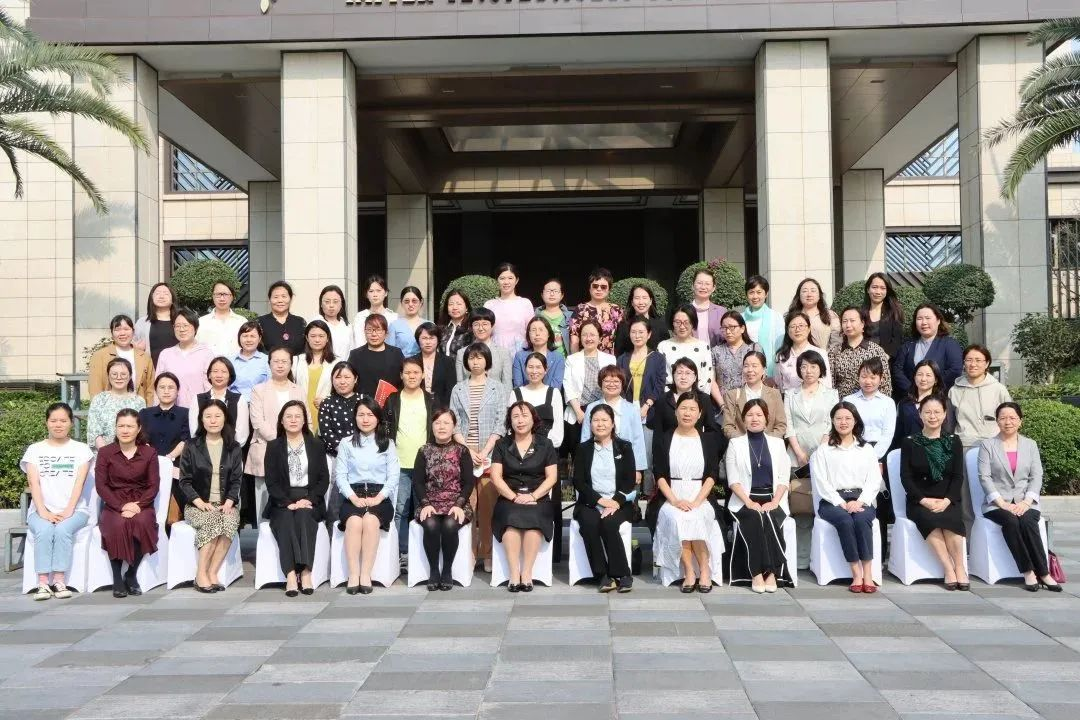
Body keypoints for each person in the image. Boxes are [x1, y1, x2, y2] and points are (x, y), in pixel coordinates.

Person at [978, 402, 1061, 592]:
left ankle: (1044, 573)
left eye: (1012, 418)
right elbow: (984, 477)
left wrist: (1027, 502)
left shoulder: (1030, 445)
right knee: (1011, 522)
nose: (1008, 422)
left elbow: (1036, 476)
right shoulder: (987, 445)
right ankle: (1027, 571)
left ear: (1020, 421)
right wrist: (1002, 504)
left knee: (1028, 522)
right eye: (1003, 418)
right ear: (997, 421)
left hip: (1026, 501)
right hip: (997, 504)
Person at [653, 393, 725, 593]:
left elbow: (711, 475)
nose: (687, 413)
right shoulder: (664, 439)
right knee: (678, 518)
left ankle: (704, 570)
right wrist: (675, 501)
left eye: (692, 409)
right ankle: (689, 571)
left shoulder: (708, 440)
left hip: (700, 496)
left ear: (700, 413)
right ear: (676, 412)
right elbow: (659, 475)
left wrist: (696, 501)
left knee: (697, 517)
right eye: (683, 408)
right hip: (672, 496)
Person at [809, 402, 883, 592]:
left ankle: (868, 574)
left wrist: (861, 501)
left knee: (861, 519)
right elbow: (821, 482)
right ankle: (856, 574)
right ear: (833, 421)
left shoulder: (866, 449)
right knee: (845, 521)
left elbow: (874, 479)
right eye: (839, 418)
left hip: (861, 499)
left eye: (848, 418)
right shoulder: (824, 450)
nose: (843, 422)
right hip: (832, 501)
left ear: (855, 421)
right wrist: (841, 503)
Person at [21, 403, 93, 601]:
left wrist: (69, 510)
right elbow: (34, 483)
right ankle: (43, 583)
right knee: (44, 530)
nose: (58, 425)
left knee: (62, 530)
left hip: (76, 510)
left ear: (71, 423)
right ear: (46, 422)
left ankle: (59, 581)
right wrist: (43, 512)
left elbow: (80, 483)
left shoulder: (82, 450)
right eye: (53, 420)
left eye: (63, 420)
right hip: (40, 510)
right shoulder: (35, 450)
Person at [450, 343, 509, 572]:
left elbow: (501, 422)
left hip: (490, 451)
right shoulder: (458, 389)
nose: (475, 362)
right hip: (465, 450)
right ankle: (470, 553)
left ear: (487, 361)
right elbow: (454, 423)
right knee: (468, 505)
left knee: (488, 505)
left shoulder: (497, 388)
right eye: (471, 358)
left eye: (479, 358)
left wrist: (484, 452)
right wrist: (468, 449)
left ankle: (488, 553)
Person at [899, 396, 969, 590]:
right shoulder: (910, 442)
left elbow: (958, 476)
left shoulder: (953, 441)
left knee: (952, 521)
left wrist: (947, 500)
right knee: (930, 520)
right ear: (920, 415)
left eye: (937, 412)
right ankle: (948, 568)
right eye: (927, 412)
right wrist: (923, 500)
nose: (932, 416)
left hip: (947, 498)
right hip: (919, 500)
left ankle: (960, 568)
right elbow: (906, 477)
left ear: (945, 415)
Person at [490, 402, 559, 592]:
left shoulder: (545, 444)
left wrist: (533, 496)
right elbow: (496, 477)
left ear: (533, 419)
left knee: (534, 521)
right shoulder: (501, 444)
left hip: (538, 497)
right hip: (509, 497)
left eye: (524, 416)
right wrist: (513, 497)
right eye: (515, 417)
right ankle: (514, 574)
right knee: (510, 521)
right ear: (509, 421)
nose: (520, 421)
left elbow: (552, 477)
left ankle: (527, 573)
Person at [726, 399, 793, 592]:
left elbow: (783, 478)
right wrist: (749, 502)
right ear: (743, 419)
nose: (754, 419)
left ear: (766, 419)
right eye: (749, 415)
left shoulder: (778, 444)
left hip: (773, 498)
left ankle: (771, 573)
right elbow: (733, 480)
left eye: (759, 415)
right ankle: (757, 574)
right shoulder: (735, 444)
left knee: (769, 516)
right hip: (744, 500)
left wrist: (775, 501)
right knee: (755, 517)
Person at [263, 400, 329, 596]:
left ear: (304, 420)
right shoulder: (273, 446)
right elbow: (271, 481)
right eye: (288, 416)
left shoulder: (316, 445)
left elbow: (323, 479)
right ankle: (291, 574)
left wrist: (308, 500)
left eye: (297, 416)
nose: (293, 420)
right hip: (281, 499)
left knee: (304, 516)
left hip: (310, 498)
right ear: (281, 421)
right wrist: (287, 502)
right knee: (285, 520)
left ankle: (306, 572)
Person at [335, 398, 399, 594]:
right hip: (353, 495)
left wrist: (379, 497)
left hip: (379, 496)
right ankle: (353, 574)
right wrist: (352, 497)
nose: (365, 419)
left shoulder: (387, 443)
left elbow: (393, 476)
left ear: (377, 418)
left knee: (370, 521)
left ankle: (365, 574)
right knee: (354, 522)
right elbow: (340, 475)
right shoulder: (346, 443)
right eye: (361, 415)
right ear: (355, 418)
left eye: (370, 415)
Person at [178, 399, 243, 593]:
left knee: (230, 521)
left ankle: (212, 572)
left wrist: (229, 502)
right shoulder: (191, 445)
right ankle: (201, 575)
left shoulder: (234, 447)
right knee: (213, 520)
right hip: (197, 505)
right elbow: (184, 481)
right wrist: (200, 502)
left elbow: (237, 480)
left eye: (217, 416)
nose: (213, 420)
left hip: (225, 503)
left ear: (225, 419)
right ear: (201, 420)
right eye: (208, 416)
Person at [95, 409, 160, 598]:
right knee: (117, 525)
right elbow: (101, 486)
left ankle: (131, 574)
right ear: (115, 428)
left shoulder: (149, 452)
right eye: (121, 426)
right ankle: (117, 578)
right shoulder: (105, 452)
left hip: (141, 502)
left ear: (138, 429)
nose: (125, 430)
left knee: (142, 522)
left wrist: (138, 505)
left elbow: (153, 485)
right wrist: (121, 506)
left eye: (130, 426)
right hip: (114, 502)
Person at [573, 404, 636, 592]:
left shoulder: (624, 447)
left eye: (604, 420)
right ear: (590, 424)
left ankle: (622, 574)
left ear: (613, 423)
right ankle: (602, 575)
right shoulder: (583, 449)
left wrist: (615, 502)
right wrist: (600, 501)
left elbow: (629, 481)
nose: (600, 424)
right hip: (590, 502)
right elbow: (579, 481)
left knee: (609, 524)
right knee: (590, 524)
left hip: (619, 502)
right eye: (595, 420)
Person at [413, 408, 475, 591]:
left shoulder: (462, 451)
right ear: (432, 426)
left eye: (446, 423)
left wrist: (459, 504)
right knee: (431, 525)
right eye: (437, 422)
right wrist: (425, 503)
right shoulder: (424, 451)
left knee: (449, 525)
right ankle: (434, 571)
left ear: (454, 426)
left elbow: (468, 482)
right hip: (429, 502)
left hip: (457, 502)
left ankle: (447, 570)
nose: (441, 427)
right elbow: (418, 482)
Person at [384, 357, 434, 562]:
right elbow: (386, 428)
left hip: (425, 464)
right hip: (400, 463)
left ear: (422, 375)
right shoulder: (393, 399)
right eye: (407, 373)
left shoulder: (431, 399)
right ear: (401, 375)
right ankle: (401, 553)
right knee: (400, 510)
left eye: (416, 372)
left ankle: (422, 553)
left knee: (424, 509)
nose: (412, 376)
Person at [247, 347, 304, 518]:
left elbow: (305, 419)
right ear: (269, 364)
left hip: (296, 449)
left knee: (291, 499)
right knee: (263, 498)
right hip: (266, 447)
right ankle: (263, 533)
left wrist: (293, 442)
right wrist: (281, 442)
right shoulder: (258, 390)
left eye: (284, 361)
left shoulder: (299, 390)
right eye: (276, 361)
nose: (280, 365)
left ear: (291, 364)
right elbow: (258, 422)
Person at [616, 317, 666, 480]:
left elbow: (660, 384)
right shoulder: (622, 358)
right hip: (627, 410)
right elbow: (619, 385)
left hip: (649, 412)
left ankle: (648, 490)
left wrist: (647, 405)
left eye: (641, 332)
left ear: (649, 334)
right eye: (633, 332)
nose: (637, 336)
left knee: (648, 455)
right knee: (627, 453)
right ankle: (630, 489)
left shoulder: (658, 358)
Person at [579, 366, 647, 478]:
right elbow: (586, 437)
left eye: (616, 381)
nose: (611, 384)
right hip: (597, 463)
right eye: (607, 381)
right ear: (601, 383)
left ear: (622, 384)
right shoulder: (591, 407)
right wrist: (584, 464)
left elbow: (638, 439)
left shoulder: (632, 409)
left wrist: (638, 469)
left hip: (625, 462)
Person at [563, 320, 617, 452]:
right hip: (577, 413)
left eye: (592, 335)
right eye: (584, 335)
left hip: (602, 411)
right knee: (579, 453)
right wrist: (579, 412)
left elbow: (613, 386)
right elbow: (568, 386)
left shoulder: (610, 359)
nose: (588, 338)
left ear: (600, 337)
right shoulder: (571, 359)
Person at [318, 362, 360, 523]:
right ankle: (331, 527)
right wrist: (344, 450)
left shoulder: (363, 400)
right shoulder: (327, 403)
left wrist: (356, 451)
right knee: (333, 493)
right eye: (338, 377)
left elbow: (369, 427)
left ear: (355, 379)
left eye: (347, 377)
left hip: (360, 455)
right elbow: (326, 432)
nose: (342, 381)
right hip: (333, 456)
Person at [893, 303, 964, 396]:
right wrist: (912, 390)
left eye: (928, 318)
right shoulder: (908, 345)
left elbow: (955, 369)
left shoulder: (950, 344)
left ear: (938, 320)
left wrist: (931, 388)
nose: (924, 322)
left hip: (939, 397)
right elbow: (897, 370)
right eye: (919, 319)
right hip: (911, 397)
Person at [950, 344, 1012, 449]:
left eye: (978, 360)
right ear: (964, 363)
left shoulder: (998, 389)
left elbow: (1009, 418)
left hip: (994, 445)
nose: (973, 364)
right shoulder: (954, 390)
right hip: (963, 445)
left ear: (987, 363)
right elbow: (950, 421)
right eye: (969, 360)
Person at [784, 352, 838, 472]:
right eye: (804, 367)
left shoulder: (832, 394)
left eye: (813, 366)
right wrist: (799, 453)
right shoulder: (790, 394)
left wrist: (820, 452)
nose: (808, 371)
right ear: (799, 370)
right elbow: (788, 425)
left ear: (821, 368)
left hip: (824, 452)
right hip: (796, 456)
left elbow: (831, 424)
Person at [648, 358, 721, 446]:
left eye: (688, 373)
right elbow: (658, 433)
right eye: (679, 373)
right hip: (669, 448)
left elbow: (711, 430)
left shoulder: (704, 399)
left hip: (696, 447)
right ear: (673, 376)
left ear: (695, 377)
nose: (683, 377)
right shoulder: (663, 399)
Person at [658, 304, 718, 407]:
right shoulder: (663, 346)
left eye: (686, 322)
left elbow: (707, 378)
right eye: (678, 322)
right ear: (672, 323)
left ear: (693, 323)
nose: (682, 326)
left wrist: (695, 401)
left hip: (697, 402)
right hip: (669, 402)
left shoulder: (703, 347)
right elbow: (660, 377)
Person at [88, 314, 155, 405]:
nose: (122, 333)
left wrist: (148, 411)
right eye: (117, 329)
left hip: (138, 408)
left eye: (126, 329)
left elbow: (150, 390)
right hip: (109, 409)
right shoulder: (100, 356)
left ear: (133, 331)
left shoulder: (144, 357)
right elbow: (95, 388)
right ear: (112, 333)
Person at [155, 308, 214, 409]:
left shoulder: (206, 354)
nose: (181, 329)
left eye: (186, 325)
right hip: (170, 412)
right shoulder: (166, 354)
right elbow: (158, 386)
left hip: (198, 410)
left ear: (195, 328)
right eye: (177, 326)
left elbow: (210, 386)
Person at [829, 306, 893, 399]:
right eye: (844, 321)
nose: (848, 325)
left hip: (870, 403)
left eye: (852, 320)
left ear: (862, 323)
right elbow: (830, 383)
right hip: (842, 404)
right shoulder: (834, 351)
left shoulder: (876, 351)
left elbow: (885, 385)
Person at [722, 351, 787, 439]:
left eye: (754, 366)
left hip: (769, 444)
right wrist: (745, 441)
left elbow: (781, 425)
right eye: (746, 366)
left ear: (764, 369)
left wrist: (765, 441)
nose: (750, 370)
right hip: (741, 445)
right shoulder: (732, 395)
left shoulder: (774, 394)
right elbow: (727, 427)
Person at [843, 357, 895, 464]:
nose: (868, 381)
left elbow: (888, 434)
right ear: (858, 377)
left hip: (878, 453)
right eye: (864, 377)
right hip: (852, 450)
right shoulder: (848, 400)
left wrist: (873, 456)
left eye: (873, 377)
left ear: (881, 379)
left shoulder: (888, 403)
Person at [86, 358, 147, 450]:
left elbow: (140, 431)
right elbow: (94, 432)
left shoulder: (139, 401)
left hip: (132, 453)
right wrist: (107, 453)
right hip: (103, 453)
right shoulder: (99, 399)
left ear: (130, 376)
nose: (119, 377)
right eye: (114, 374)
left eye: (123, 374)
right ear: (108, 376)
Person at [189, 357, 250, 446]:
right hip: (202, 450)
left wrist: (231, 450)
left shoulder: (239, 400)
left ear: (230, 376)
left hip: (231, 450)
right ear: (209, 375)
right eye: (215, 371)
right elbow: (194, 431)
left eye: (224, 372)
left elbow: (242, 434)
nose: (219, 375)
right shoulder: (197, 399)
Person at [894, 360, 956, 445]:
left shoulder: (944, 402)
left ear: (936, 380)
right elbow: (899, 434)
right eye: (920, 374)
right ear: (914, 377)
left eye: (928, 375)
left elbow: (948, 431)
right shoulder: (904, 404)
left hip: (936, 449)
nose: (923, 379)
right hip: (910, 449)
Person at [511, 352, 565, 450]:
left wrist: (542, 448)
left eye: (538, 367)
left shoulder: (554, 393)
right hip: (521, 449)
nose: (534, 371)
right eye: (530, 367)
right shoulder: (515, 393)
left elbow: (558, 428)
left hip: (548, 449)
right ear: (525, 369)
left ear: (545, 370)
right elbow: (510, 426)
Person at [292, 320, 336, 434]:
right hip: (300, 413)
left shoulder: (336, 362)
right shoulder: (297, 361)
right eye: (313, 336)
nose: (317, 340)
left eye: (321, 336)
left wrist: (328, 402)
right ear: (307, 338)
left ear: (327, 338)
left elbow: (342, 391)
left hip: (326, 412)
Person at [347, 314, 406, 400]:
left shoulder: (396, 353)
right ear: (364, 332)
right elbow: (349, 381)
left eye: (378, 330)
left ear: (386, 332)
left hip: (392, 403)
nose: (374, 334)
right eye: (369, 330)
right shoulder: (355, 355)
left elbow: (403, 379)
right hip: (363, 404)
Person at [773, 311, 832, 393]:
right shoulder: (781, 356)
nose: (797, 329)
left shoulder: (820, 353)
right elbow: (778, 384)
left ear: (809, 329)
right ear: (787, 330)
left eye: (801, 326)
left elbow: (827, 383)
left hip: (815, 398)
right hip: (789, 399)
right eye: (793, 326)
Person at [454, 308, 512, 387]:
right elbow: (459, 385)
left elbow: (507, 385)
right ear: (471, 327)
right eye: (476, 324)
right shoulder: (461, 353)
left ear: (492, 326)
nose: (480, 328)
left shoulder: (503, 353)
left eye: (485, 324)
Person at [569, 267, 623, 354]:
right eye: (595, 286)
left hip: (609, 359)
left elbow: (622, 338)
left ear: (609, 289)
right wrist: (575, 359)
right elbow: (574, 340)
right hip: (585, 358)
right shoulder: (580, 309)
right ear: (589, 288)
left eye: (603, 287)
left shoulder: (616, 310)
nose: (599, 289)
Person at [485, 262, 535, 352]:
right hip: (495, 352)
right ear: (496, 280)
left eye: (510, 278)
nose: (506, 282)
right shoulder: (489, 305)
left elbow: (531, 330)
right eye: (502, 278)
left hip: (520, 352)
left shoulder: (525, 303)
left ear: (516, 280)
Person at [741, 275, 785, 376]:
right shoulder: (740, 318)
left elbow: (780, 347)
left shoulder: (775, 317)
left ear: (766, 294)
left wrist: (775, 374)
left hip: (770, 372)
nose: (755, 296)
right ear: (746, 295)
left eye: (759, 292)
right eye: (751, 292)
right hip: (745, 370)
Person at [140, 373, 190, 461]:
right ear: (156, 390)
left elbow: (186, 440)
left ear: (178, 390)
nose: (166, 391)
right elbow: (142, 439)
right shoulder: (145, 413)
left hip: (177, 463)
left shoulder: (186, 414)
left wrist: (168, 458)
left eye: (171, 387)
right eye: (162, 387)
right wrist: (153, 459)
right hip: (149, 462)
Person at [712, 310, 762, 397]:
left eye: (732, 327)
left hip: (750, 400)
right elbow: (712, 381)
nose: (728, 331)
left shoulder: (754, 348)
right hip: (724, 401)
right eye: (724, 328)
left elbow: (762, 376)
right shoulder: (716, 351)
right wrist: (722, 403)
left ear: (742, 328)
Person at [613, 283, 669, 356]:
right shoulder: (624, 325)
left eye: (644, 298)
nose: (641, 302)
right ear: (632, 302)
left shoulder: (660, 326)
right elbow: (618, 353)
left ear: (650, 301)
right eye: (637, 298)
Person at [512, 316, 567, 390]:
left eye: (541, 330)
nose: (537, 333)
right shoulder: (519, 357)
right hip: (524, 396)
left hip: (550, 396)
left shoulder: (558, 357)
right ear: (528, 334)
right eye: (533, 330)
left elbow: (556, 386)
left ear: (548, 334)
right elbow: (518, 385)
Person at [788, 277, 841, 351]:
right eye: (805, 291)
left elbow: (836, 342)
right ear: (799, 296)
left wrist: (824, 356)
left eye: (813, 291)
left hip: (823, 357)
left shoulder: (831, 315)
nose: (809, 294)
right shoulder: (791, 316)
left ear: (819, 296)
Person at [196, 281, 246, 357]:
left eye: (225, 294)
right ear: (213, 296)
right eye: (218, 294)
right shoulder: (201, 322)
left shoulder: (242, 321)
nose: (222, 298)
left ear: (232, 297)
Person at [133, 282, 178, 365]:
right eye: (157, 293)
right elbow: (133, 344)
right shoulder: (142, 322)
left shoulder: (179, 321)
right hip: (150, 369)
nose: (161, 296)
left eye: (166, 294)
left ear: (172, 299)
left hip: (176, 368)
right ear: (152, 298)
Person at [862, 272, 905, 359]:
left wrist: (885, 357)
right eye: (874, 287)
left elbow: (897, 340)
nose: (878, 292)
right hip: (863, 359)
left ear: (887, 291)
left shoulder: (894, 312)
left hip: (886, 360)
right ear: (868, 289)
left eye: (882, 288)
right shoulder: (860, 313)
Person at [258, 281, 305, 356]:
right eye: (276, 297)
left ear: (290, 299)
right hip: (268, 363)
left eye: (284, 296)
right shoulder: (260, 322)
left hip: (296, 363)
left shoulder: (300, 322)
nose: (280, 301)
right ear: (269, 300)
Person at [352, 275, 399, 350]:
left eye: (378, 291)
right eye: (371, 291)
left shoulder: (394, 317)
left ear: (386, 293)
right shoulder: (360, 317)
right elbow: (358, 342)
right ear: (366, 294)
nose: (375, 295)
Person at [414, 322, 455, 407]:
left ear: (438, 340)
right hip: (417, 406)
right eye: (424, 338)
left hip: (441, 408)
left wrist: (444, 410)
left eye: (432, 338)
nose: (428, 342)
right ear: (418, 340)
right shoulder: (412, 361)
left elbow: (450, 389)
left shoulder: (448, 362)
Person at [230, 321, 270, 402]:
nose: (248, 340)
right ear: (239, 338)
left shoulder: (267, 360)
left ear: (259, 338)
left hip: (260, 404)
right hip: (234, 404)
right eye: (245, 336)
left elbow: (271, 386)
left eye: (252, 336)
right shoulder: (230, 361)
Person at [689, 268, 728, 346]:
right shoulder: (684, 311)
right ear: (693, 286)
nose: (703, 287)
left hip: (715, 353)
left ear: (713, 288)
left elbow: (727, 338)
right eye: (699, 283)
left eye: (707, 284)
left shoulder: (721, 312)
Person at [386, 286, 427, 357]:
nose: (410, 304)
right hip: (401, 363)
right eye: (406, 301)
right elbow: (389, 353)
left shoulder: (428, 325)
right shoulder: (394, 325)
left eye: (414, 301)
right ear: (401, 303)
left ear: (421, 302)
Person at [536, 278, 574, 356]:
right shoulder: (535, 317)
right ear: (542, 295)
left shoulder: (571, 317)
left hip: (565, 361)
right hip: (541, 361)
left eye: (555, 291)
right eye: (548, 291)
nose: (552, 294)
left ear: (562, 295)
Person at [318, 284, 352, 357]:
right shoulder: (316, 323)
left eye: (335, 301)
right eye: (327, 302)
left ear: (341, 304)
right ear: (321, 304)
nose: (331, 305)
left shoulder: (347, 326)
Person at [437, 289, 472, 358]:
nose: (455, 307)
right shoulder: (441, 327)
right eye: (451, 304)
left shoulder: (471, 328)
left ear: (466, 308)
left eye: (459, 304)